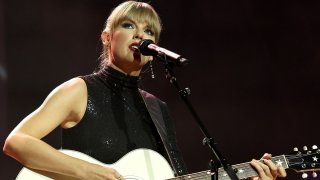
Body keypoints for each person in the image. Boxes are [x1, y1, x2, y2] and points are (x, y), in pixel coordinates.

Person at [3, 1, 286, 180]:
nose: (141, 35)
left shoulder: (157, 109)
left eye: (149, 32)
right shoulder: (80, 90)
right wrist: (91, 172)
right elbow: (16, 142)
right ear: (106, 38)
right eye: (129, 25)